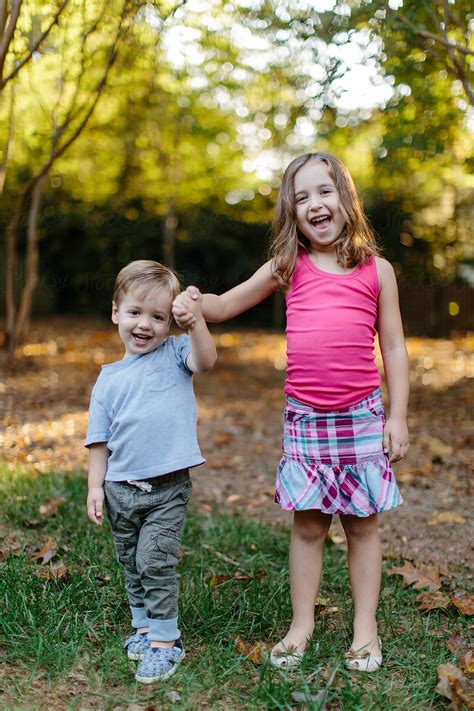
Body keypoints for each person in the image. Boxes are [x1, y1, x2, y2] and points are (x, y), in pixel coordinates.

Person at [172, 152, 409, 673]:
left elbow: (392, 346)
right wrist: (193, 301)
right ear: (291, 211)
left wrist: (398, 416)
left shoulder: (377, 270)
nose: (315, 204)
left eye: (324, 191)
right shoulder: (288, 266)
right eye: (302, 197)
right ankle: (301, 624)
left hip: (361, 416)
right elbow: (226, 304)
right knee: (308, 527)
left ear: (346, 198)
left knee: (362, 525)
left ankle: (364, 630)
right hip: (306, 418)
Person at [85, 259, 217, 684]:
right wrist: (94, 487)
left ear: (169, 323)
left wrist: (194, 323)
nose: (145, 325)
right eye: (135, 313)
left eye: (158, 317)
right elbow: (99, 441)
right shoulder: (107, 381)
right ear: (115, 313)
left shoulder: (176, 354)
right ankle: (143, 629)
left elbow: (207, 359)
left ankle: (166, 641)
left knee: (153, 560)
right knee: (131, 562)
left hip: (166, 488)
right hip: (119, 488)